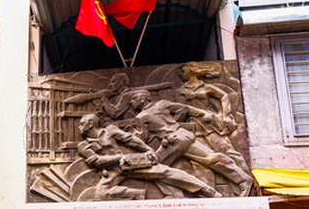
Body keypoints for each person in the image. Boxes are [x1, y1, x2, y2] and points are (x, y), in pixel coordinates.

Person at [130, 90, 254, 196]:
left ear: (142, 99)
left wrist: (134, 134)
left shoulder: (140, 117)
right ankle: (243, 179)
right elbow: (185, 109)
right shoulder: (162, 104)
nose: (131, 102)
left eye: (133, 99)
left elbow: (143, 138)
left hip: (173, 141)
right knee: (209, 158)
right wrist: (195, 116)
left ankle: (180, 194)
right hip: (183, 134)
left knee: (154, 168)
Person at [77, 113, 222, 200]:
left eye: (82, 124)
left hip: (131, 163)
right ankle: (138, 194)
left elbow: (130, 139)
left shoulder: (110, 131)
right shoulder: (83, 146)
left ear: (91, 124)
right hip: (112, 170)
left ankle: (205, 189)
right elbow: (96, 161)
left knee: (165, 172)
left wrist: (148, 150)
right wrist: (117, 159)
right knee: (101, 194)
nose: (79, 127)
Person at [174, 62, 248, 171]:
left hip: (211, 124)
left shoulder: (206, 87)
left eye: (184, 71)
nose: (181, 74)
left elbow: (224, 96)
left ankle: (247, 178)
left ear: (192, 72)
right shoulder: (180, 91)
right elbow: (183, 109)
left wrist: (225, 114)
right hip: (195, 126)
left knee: (228, 151)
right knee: (201, 162)